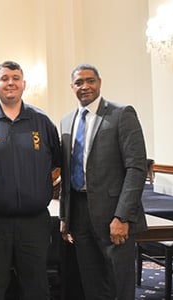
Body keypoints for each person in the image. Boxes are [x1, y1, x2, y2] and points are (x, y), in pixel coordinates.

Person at [0, 61, 62, 299]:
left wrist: (41, 187)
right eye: (4, 78)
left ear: (24, 84)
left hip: (34, 222)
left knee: (36, 287)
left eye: (15, 78)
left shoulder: (41, 121)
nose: (10, 82)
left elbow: (58, 163)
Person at [59, 64, 147, 300]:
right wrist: (64, 216)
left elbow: (136, 168)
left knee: (118, 283)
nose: (85, 86)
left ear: (99, 82)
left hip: (113, 216)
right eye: (79, 83)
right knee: (92, 283)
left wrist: (122, 217)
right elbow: (67, 174)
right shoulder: (67, 122)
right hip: (79, 214)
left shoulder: (121, 114)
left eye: (90, 81)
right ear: (72, 87)